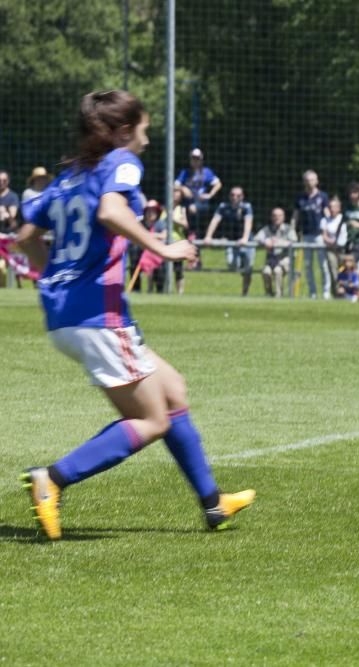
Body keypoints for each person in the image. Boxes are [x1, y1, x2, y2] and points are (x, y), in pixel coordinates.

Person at [15, 90, 254, 541]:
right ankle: (54, 478)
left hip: (66, 314)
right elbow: (110, 210)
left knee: (172, 390)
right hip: (97, 317)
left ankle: (212, 502)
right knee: (152, 421)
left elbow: (25, 235)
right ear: (123, 132)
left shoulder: (68, 177)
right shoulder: (120, 162)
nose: (147, 138)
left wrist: (57, 274)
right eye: (144, 128)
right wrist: (163, 247)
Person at [203, 186, 255, 296]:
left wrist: (245, 238)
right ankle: (240, 265)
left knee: (248, 269)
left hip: (246, 241)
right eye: (232, 195)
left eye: (238, 195)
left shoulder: (246, 207)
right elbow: (215, 221)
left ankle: (245, 293)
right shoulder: (223, 207)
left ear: (242, 197)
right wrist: (208, 236)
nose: (235, 197)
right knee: (232, 265)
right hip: (231, 241)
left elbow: (248, 222)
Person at [293, 170, 332, 299]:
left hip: (319, 235)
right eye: (307, 180)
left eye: (312, 179)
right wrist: (293, 231)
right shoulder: (300, 198)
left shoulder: (323, 196)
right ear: (304, 181)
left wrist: (328, 231)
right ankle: (312, 292)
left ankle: (326, 291)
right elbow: (295, 216)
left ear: (317, 181)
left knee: (323, 265)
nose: (310, 182)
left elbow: (327, 214)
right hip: (306, 235)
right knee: (308, 265)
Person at [174, 148, 221, 233]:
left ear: (201, 160)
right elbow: (175, 185)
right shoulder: (185, 172)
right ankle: (187, 231)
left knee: (192, 208)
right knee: (184, 205)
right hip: (187, 201)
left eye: (197, 158)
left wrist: (210, 194)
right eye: (193, 158)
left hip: (201, 201)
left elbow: (218, 184)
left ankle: (194, 232)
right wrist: (183, 188)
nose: (195, 161)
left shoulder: (206, 172)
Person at [254, 207, 297, 297]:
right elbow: (257, 238)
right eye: (274, 215)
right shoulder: (267, 228)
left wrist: (277, 242)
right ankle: (269, 294)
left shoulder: (288, 229)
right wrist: (265, 241)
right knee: (266, 272)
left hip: (284, 260)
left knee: (278, 271)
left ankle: (278, 295)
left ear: (284, 217)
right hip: (271, 260)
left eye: (279, 215)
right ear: (271, 217)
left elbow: (293, 241)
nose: (277, 217)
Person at [321, 195, 347, 294]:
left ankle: (344, 290)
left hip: (343, 249)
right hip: (331, 249)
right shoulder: (325, 220)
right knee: (333, 269)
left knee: (343, 270)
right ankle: (336, 291)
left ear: (339, 208)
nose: (332, 209)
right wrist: (329, 241)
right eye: (330, 207)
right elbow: (324, 235)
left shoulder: (344, 219)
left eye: (334, 207)